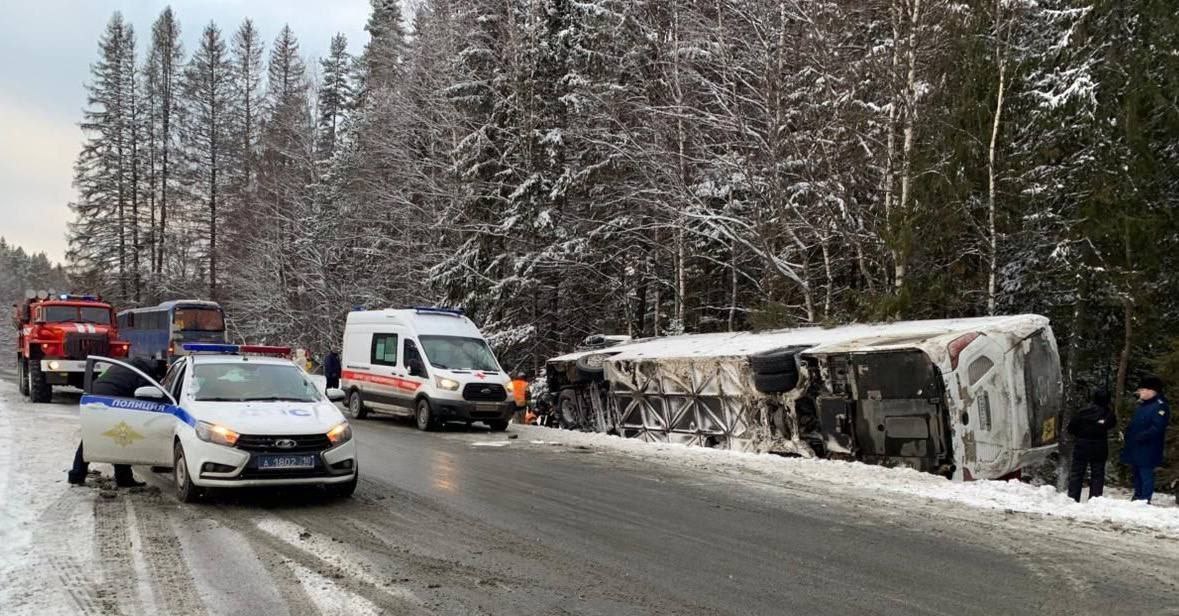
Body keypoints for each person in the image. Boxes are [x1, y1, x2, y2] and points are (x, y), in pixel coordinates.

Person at [67, 358, 157, 488]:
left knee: (90, 437)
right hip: (113, 400)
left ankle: (76, 474)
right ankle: (123, 478)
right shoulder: (142, 374)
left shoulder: (120, 366)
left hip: (94, 397)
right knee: (122, 437)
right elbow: (145, 396)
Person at [1120, 375, 1171, 503]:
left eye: (1142, 390)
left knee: (1145, 473)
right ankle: (1137, 495)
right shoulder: (1143, 405)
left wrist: (1142, 436)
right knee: (1136, 471)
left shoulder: (1160, 406)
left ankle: (1145, 498)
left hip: (1149, 446)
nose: (1140, 393)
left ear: (1151, 391)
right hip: (1136, 445)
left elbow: (1157, 427)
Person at [1066, 388, 1117, 502]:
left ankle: (1073, 497)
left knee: (1077, 473)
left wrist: (1080, 434)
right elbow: (1112, 425)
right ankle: (1095, 498)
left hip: (1082, 444)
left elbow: (1071, 427)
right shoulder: (1108, 414)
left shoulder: (1083, 412)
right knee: (1098, 474)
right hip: (1100, 446)